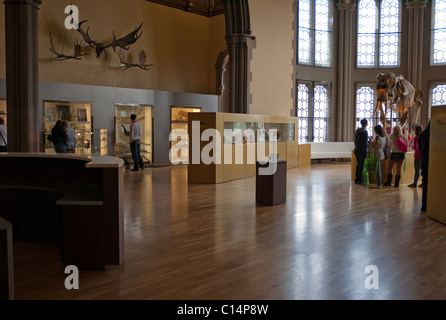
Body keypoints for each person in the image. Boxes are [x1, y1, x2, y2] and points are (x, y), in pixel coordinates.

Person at [418, 121, 430, 212]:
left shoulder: (422, 135)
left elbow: (420, 148)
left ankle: (424, 205)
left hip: (424, 162)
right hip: (430, 162)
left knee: (425, 184)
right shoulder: (431, 134)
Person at [370, 125, 386, 189]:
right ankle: (378, 183)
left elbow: (374, 146)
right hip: (382, 154)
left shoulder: (377, 137)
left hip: (377, 154)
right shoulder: (384, 137)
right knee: (379, 169)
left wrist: (371, 141)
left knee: (378, 170)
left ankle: (379, 184)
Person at [354, 119, 369, 185]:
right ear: (366, 124)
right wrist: (365, 151)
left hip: (356, 149)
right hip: (361, 151)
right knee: (361, 165)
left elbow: (356, 141)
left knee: (358, 164)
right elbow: (364, 143)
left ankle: (357, 178)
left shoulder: (357, 131)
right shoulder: (365, 132)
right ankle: (359, 179)